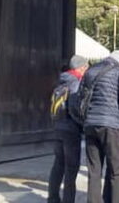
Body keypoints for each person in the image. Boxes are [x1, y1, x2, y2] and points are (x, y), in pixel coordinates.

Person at [81, 50, 119, 203]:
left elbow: (80, 97)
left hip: (90, 124)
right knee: (117, 171)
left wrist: (85, 119)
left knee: (94, 170)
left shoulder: (90, 71)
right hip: (112, 126)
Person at [49, 55, 88, 203]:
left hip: (58, 126)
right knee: (71, 168)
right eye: (86, 68)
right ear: (81, 68)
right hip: (71, 129)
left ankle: (52, 198)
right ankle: (68, 200)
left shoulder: (61, 81)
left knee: (58, 164)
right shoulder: (76, 83)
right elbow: (74, 108)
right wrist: (82, 123)